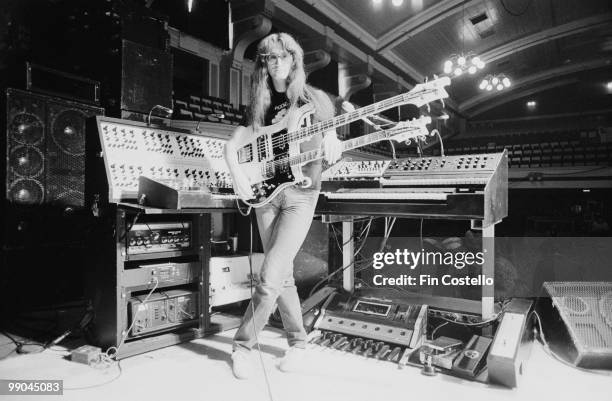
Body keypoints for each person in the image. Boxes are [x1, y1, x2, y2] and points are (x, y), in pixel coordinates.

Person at [223, 32, 342, 379]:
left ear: (294, 60)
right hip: (267, 196)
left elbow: (331, 132)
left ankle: (242, 346)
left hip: (302, 195)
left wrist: (334, 140)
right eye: (270, 58)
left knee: (269, 276)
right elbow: (240, 142)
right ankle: (299, 343)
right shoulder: (260, 103)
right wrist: (238, 172)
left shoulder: (313, 98)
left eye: (283, 56)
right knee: (283, 274)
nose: (277, 63)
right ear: (264, 63)